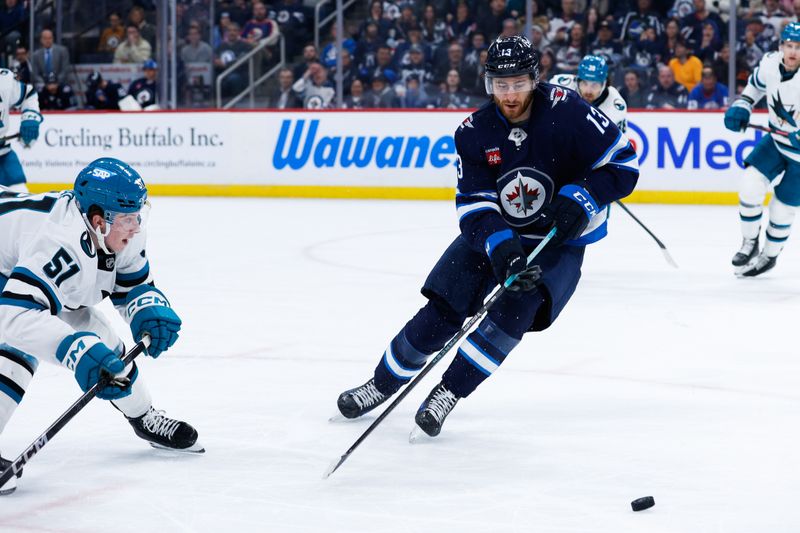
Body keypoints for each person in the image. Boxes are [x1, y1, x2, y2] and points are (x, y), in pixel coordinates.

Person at [335, 35, 639, 439]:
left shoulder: (569, 113)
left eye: (517, 83)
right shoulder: (474, 132)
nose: (509, 94)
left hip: (557, 241)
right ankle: (383, 383)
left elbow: (623, 163)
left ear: (535, 78)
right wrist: (503, 248)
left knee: (510, 316)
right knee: (442, 311)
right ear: (488, 84)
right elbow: (475, 205)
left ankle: (448, 392)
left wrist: (582, 198)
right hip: (499, 235)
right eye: (500, 84)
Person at [0, 158, 203, 495]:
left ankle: (144, 416)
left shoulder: (120, 232)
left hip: (24, 268)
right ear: (99, 221)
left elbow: (131, 286)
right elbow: (14, 317)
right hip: (7, 274)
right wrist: (73, 351)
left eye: (139, 215)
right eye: (127, 218)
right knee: (16, 354)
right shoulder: (58, 242)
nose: (136, 226)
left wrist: (147, 308)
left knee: (106, 349)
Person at [724, 22, 800, 276]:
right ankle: (749, 242)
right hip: (777, 143)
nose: (793, 52)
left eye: (799, 47)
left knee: (781, 209)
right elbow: (755, 85)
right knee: (749, 185)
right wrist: (743, 105)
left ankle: (769, 255)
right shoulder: (769, 63)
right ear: (780, 47)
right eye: (789, 46)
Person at [550, 55, 628, 134]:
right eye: (584, 83)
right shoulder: (559, 85)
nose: (588, 91)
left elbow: (618, 144)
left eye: (594, 85)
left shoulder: (615, 107)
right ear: (577, 81)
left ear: (604, 84)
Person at [0, 66, 41, 192]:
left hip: (3, 157)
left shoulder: (3, 79)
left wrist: (30, 118)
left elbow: (28, 94)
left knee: (21, 199)